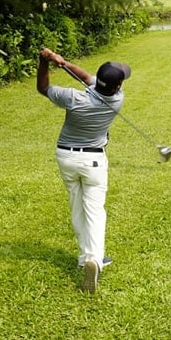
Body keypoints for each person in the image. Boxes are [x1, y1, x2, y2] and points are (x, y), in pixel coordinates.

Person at [36, 47, 131, 293]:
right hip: (94, 162)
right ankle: (95, 260)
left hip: (66, 157)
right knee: (95, 211)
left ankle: (83, 258)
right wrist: (63, 63)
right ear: (117, 86)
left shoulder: (73, 98)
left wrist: (47, 63)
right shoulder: (117, 100)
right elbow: (87, 79)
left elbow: (43, 88)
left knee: (77, 207)